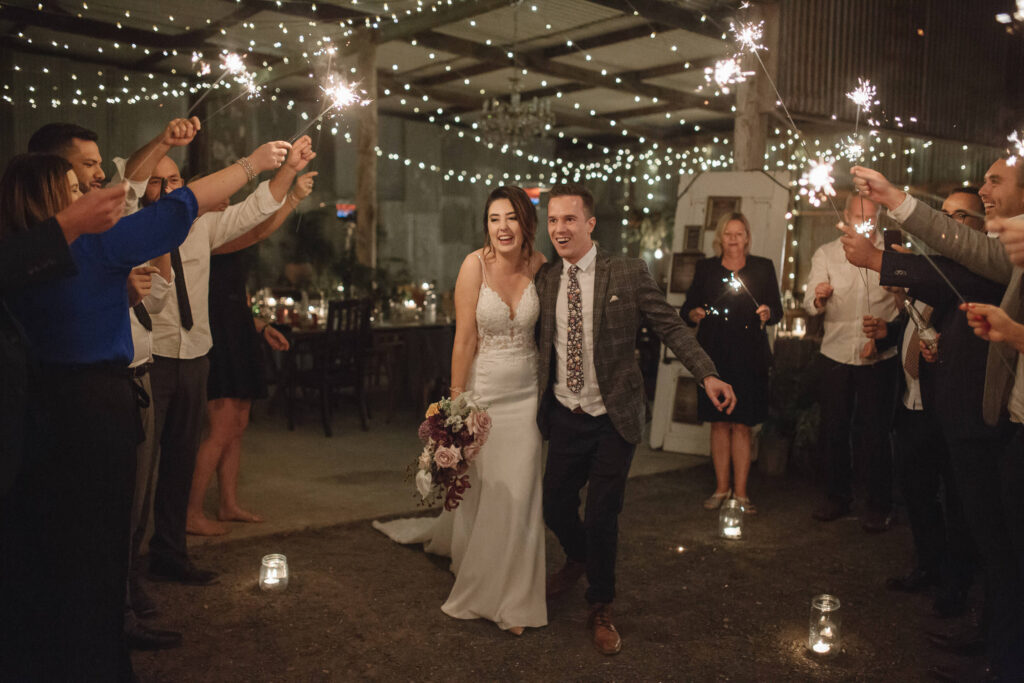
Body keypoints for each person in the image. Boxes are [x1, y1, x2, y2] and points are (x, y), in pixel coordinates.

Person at [0, 141, 271, 680]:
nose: (91, 196)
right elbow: (184, 204)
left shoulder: (17, 258)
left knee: (47, 548)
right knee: (101, 547)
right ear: (51, 202)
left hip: (34, 409)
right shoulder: (96, 249)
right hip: (94, 411)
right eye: (75, 190)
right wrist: (254, 164)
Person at [536, 183, 736, 655]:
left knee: (604, 512)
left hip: (614, 415)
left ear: (590, 224)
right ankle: (580, 556)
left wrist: (706, 373)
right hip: (565, 413)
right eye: (552, 220)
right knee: (553, 504)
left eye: (569, 219)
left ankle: (600, 604)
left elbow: (669, 324)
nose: (559, 229)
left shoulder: (626, 272)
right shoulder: (545, 279)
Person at [851, 161, 1024, 680]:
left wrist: (885, 254)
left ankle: (1002, 654)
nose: (986, 188)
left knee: (1002, 547)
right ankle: (995, 645)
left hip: (987, 418)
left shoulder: (1000, 254)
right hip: (977, 413)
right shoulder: (1004, 251)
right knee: (994, 544)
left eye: (997, 180)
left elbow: (961, 262)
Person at [374, 185, 548, 635]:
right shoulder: (474, 265)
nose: (502, 227)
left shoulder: (539, 264)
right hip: (485, 392)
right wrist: (456, 403)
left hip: (528, 394)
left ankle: (517, 595)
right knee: (488, 490)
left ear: (525, 221)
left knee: (523, 490)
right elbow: (465, 338)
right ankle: (479, 575)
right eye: (494, 219)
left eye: (510, 217)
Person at [146, 136, 311, 582]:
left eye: (174, 180)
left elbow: (255, 214)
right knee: (142, 465)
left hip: (197, 352)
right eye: (157, 183)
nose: (167, 189)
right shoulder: (136, 228)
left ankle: (171, 552)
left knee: (181, 456)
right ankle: (127, 570)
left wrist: (288, 173)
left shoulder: (202, 227)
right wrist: (257, 165)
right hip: (151, 356)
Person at [186, 170, 317, 535]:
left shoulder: (220, 225)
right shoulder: (196, 229)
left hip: (237, 329)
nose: (226, 193)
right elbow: (257, 230)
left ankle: (227, 504)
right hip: (216, 334)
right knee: (222, 425)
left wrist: (259, 325)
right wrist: (292, 198)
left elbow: (235, 293)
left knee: (238, 425)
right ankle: (191, 511)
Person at [802, 193, 901, 532]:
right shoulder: (827, 253)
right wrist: (819, 296)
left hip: (880, 355)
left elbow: (906, 302)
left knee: (875, 432)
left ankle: (878, 504)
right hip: (836, 352)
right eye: (858, 215)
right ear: (844, 215)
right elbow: (809, 299)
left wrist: (887, 331)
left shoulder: (891, 252)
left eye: (871, 216)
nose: (864, 222)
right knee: (833, 428)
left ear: (878, 218)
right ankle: (836, 497)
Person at [680, 212, 782, 513]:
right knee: (719, 423)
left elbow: (777, 310)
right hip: (714, 357)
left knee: (743, 425)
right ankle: (721, 488)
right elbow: (687, 308)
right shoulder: (706, 269)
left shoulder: (762, 268)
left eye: (739, 233)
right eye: (728, 233)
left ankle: (741, 493)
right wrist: (694, 313)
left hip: (750, 357)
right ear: (720, 237)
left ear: (747, 237)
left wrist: (767, 312)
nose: (734, 239)